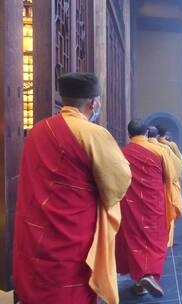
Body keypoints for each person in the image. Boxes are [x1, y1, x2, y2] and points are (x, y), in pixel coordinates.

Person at [13, 73, 132, 304]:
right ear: (93, 103)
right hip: (75, 230)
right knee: (72, 289)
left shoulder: (37, 130)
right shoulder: (94, 134)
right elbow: (120, 179)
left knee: (40, 284)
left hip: (36, 224)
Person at [116, 119, 182, 298]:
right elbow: (174, 173)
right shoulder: (159, 151)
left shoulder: (121, 153)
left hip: (130, 204)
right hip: (154, 203)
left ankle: (140, 282)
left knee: (134, 239)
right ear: (146, 133)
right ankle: (149, 275)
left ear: (129, 134)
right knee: (155, 239)